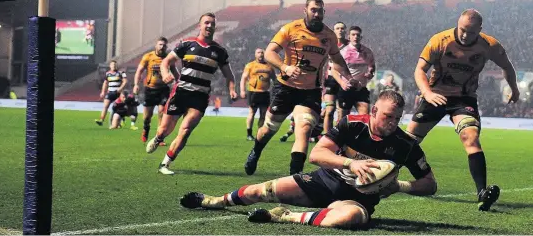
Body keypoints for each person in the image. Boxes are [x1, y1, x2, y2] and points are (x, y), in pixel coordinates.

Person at [180, 91, 437, 229]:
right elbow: (317, 154)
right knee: (261, 190)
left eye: (397, 118)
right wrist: (350, 163)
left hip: (354, 200)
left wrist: (401, 186)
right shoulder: (352, 124)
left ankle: (285, 216)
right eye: (388, 116)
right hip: (322, 182)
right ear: (373, 111)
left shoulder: (405, 145)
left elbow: (430, 183)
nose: (393, 123)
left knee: (349, 219)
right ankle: (213, 201)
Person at [406, 9, 520, 211]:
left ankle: (482, 193)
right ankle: (381, 178)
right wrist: (428, 93)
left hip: (464, 99)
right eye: (462, 30)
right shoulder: (440, 40)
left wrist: (514, 89)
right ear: (457, 24)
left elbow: (508, 67)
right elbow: (419, 70)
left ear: (480, 30)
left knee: (471, 137)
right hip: (436, 95)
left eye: (471, 32)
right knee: (408, 141)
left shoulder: (489, 45)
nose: (465, 35)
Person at [245, 0, 356, 176]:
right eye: (313, 10)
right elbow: (269, 53)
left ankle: (295, 176)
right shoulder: (290, 28)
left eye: (320, 11)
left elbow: (337, 59)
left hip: (310, 91)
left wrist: (349, 77)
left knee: (304, 128)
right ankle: (256, 151)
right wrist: (284, 67)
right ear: (305, 10)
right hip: (285, 88)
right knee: (269, 129)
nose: (317, 14)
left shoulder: (328, 36)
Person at [145, 13, 238, 175]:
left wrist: (232, 89)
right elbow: (166, 61)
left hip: (200, 97)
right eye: (206, 23)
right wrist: (165, 72)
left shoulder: (220, 52)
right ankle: (159, 138)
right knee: (165, 130)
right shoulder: (187, 44)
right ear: (199, 26)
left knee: (185, 130)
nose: (209, 26)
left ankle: (165, 164)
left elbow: (229, 75)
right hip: (180, 93)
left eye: (212, 23)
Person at [134, 37, 177, 143]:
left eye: (164, 45)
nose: (162, 47)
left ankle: (159, 137)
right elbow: (139, 71)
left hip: (163, 89)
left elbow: (175, 71)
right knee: (147, 117)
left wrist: (179, 83)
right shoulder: (148, 56)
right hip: (150, 90)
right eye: (160, 44)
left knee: (162, 112)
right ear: (156, 45)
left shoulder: (168, 58)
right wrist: (136, 84)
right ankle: (146, 128)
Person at [333, 26, 376, 121]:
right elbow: (334, 70)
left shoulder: (368, 52)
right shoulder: (343, 52)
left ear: (361, 37)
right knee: (342, 120)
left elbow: (372, 68)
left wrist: (370, 73)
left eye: (358, 35)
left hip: (361, 89)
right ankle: (341, 135)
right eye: (353, 35)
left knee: (365, 117)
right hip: (346, 89)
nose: (355, 37)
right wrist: (342, 83)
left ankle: (360, 135)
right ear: (349, 37)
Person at [240, 48, 276, 141]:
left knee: (263, 114)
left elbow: (274, 79)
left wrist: (277, 90)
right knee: (252, 112)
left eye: (262, 52)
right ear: (255, 54)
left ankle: (259, 134)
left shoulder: (269, 66)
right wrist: (242, 90)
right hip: (254, 92)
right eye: (258, 52)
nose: (261, 54)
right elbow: (243, 78)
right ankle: (249, 134)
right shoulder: (250, 65)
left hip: (265, 93)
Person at [321, 22, 349, 134]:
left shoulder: (350, 46)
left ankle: (339, 136)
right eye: (337, 28)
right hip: (331, 80)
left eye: (342, 28)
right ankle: (326, 135)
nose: (340, 30)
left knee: (342, 113)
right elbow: (322, 62)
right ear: (334, 31)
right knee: (329, 110)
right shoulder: (328, 44)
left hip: (344, 80)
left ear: (345, 31)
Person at [96, 60, 127, 126]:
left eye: (115, 65)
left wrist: (120, 88)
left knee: (118, 108)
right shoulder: (107, 74)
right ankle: (101, 120)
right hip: (110, 92)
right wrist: (103, 92)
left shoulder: (121, 72)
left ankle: (121, 120)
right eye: (112, 65)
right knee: (105, 106)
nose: (114, 66)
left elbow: (125, 81)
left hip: (118, 93)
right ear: (110, 66)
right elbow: (105, 83)